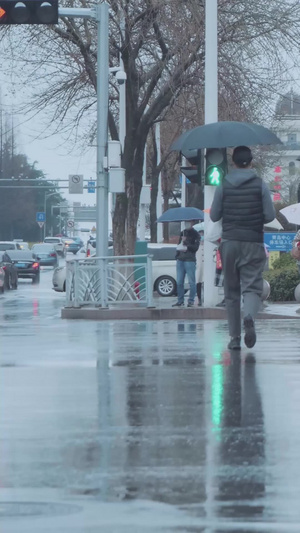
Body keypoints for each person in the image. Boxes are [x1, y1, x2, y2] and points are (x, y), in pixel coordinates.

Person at [210, 146, 275, 350]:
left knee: (231, 291)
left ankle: (235, 338)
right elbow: (270, 215)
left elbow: (214, 216)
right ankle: (249, 316)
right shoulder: (260, 185)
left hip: (229, 243)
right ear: (251, 162)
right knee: (252, 287)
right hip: (253, 242)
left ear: (233, 163)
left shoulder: (224, 185)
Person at [172, 221, 200, 307]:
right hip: (180, 259)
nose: (188, 224)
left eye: (189, 223)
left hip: (189, 260)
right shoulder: (183, 232)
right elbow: (179, 245)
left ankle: (191, 300)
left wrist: (186, 242)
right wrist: (177, 255)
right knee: (179, 282)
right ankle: (180, 300)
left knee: (192, 282)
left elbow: (195, 248)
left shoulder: (196, 234)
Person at [195, 224, 204, 306]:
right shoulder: (196, 246)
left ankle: (204, 298)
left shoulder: (208, 245)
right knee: (198, 282)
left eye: (202, 233)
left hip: (206, 267)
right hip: (198, 267)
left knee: (205, 282)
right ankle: (199, 298)